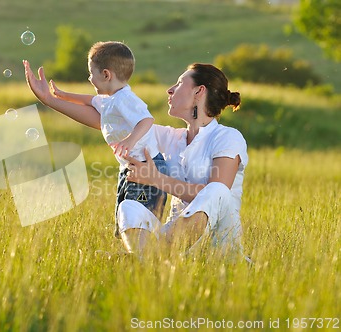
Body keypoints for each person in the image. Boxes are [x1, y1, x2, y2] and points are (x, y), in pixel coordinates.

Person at [23, 60, 248, 259]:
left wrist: (156, 179)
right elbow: (105, 120)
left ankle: (147, 256)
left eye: (179, 84)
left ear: (199, 92)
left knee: (216, 191)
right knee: (129, 207)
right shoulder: (170, 137)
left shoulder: (228, 137)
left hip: (218, 245)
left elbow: (218, 194)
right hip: (176, 242)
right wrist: (49, 99)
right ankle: (152, 257)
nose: (170, 90)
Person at [24, 41, 168, 247]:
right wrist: (59, 95)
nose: (89, 78)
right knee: (125, 218)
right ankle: (139, 259)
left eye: (92, 73)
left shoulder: (125, 99)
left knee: (139, 220)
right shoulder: (111, 99)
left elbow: (146, 120)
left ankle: (149, 260)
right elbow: (91, 101)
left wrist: (130, 140)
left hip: (148, 168)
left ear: (106, 75)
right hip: (131, 169)